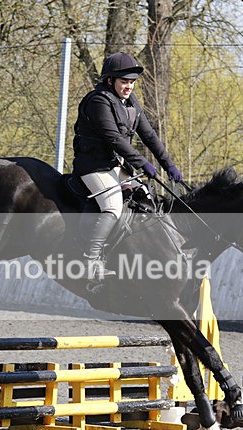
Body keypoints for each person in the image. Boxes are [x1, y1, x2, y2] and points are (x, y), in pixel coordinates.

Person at [72, 52, 183, 279]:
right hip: (94, 166)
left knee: (145, 200)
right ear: (110, 80)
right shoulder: (98, 101)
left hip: (117, 165)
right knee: (113, 206)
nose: (129, 86)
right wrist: (143, 164)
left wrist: (168, 164)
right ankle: (90, 261)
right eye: (124, 81)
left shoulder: (131, 102)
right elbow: (114, 138)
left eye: (132, 82)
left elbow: (149, 135)